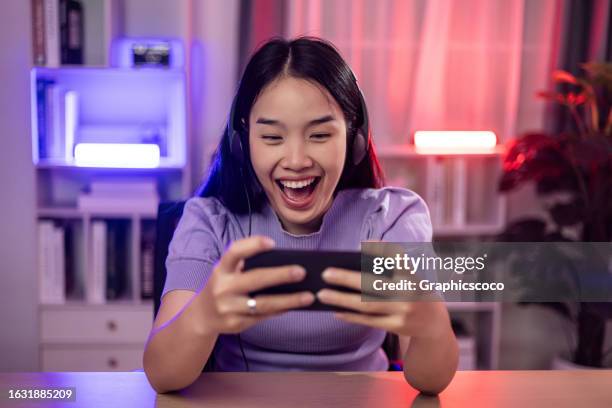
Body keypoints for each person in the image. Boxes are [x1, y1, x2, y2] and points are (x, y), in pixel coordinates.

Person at [143, 37, 458, 394]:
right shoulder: (210, 222)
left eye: (320, 135)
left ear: (354, 138)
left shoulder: (391, 218)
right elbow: (162, 375)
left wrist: (431, 325)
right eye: (273, 137)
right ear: (242, 142)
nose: (296, 160)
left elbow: (430, 381)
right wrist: (203, 316)